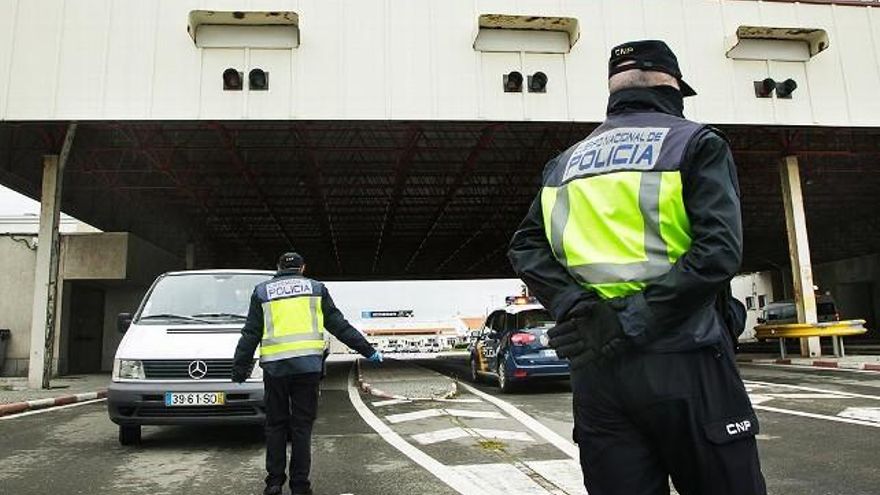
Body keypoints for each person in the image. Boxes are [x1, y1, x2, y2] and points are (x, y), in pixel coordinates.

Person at [508, 40, 766, 495]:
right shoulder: (695, 143)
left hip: (598, 372)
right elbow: (718, 252)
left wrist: (577, 306)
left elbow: (525, 244)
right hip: (686, 357)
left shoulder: (563, 165)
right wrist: (626, 321)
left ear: (614, 91)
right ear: (671, 86)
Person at [233, 252, 383, 495]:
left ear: (278, 267)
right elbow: (339, 325)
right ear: (302, 268)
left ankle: (273, 484)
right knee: (301, 427)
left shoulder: (262, 292)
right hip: (307, 370)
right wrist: (368, 351)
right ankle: (300, 486)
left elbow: (250, 333)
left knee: (275, 426)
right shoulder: (316, 289)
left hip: (275, 369)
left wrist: (239, 370)